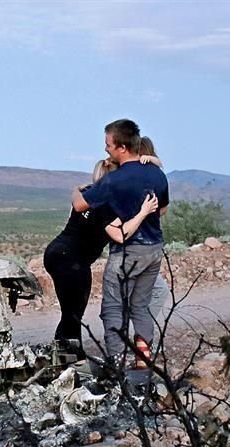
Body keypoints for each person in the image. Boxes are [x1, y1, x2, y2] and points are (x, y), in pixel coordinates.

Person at [43, 137, 167, 360]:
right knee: (74, 312)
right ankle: (72, 359)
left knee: (71, 311)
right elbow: (120, 234)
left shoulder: (89, 194)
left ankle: (66, 356)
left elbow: (77, 198)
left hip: (58, 253)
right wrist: (144, 212)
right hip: (71, 259)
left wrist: (152, 161)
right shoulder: (107, 204)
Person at [72, 119, 169, 370]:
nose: (106, 149)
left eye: (108, 144)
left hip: (127, 253)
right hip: (154, 248)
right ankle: (143, 359)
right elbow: (163, 209)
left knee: (113, 307)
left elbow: (80, 205)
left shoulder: (114, 180)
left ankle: (117, 364)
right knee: (141, 305)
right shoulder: (157, 174)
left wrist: (79, 191)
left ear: (122, 148)